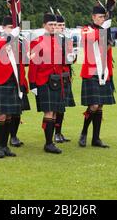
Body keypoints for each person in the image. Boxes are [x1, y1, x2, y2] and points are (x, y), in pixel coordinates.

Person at [0, 15, 30, 158]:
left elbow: (25, 61)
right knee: (0, 115)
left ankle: (5, 146)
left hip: (14, 81)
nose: (12, 30)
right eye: (10, 27)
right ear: (3, 27)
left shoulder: (20, 42)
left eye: (14, 27)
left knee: (10, 115)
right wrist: (11, 36)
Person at [78, 4, 116, 148]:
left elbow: (108, 52)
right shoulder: (86, 29)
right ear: (93, 17)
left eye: (103, 17)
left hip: (103, 71)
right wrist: (103, 29)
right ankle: (84, 132)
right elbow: (90, 38)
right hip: (90, 71)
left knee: (100, 106)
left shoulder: (105, 31)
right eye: (100, 17)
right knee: (93, 106)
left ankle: (96, 138)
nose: (101, 19)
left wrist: (109, 74)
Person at [29, 13, 65, 154]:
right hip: (43, 80)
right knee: (49, 112)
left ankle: (50, 142)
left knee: (55, 112)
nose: (53, 27)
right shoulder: (37, 41)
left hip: (56, 80)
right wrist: (32, 83)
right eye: (50, 24)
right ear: (44, 25)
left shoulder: (58, 40)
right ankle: (48, 143)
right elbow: (33, 64)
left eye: (55, 25)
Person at [54, 14, 76, 143]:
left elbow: (70, 59)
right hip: (56, 76)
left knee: (62, 107)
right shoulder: (51, 39)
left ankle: (59, 132)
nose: (61, 27)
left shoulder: (67, 39)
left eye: (63, 25)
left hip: (66, 75)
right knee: (56, 107)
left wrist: (73, 57)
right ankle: (55, 133)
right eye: (59, 25)